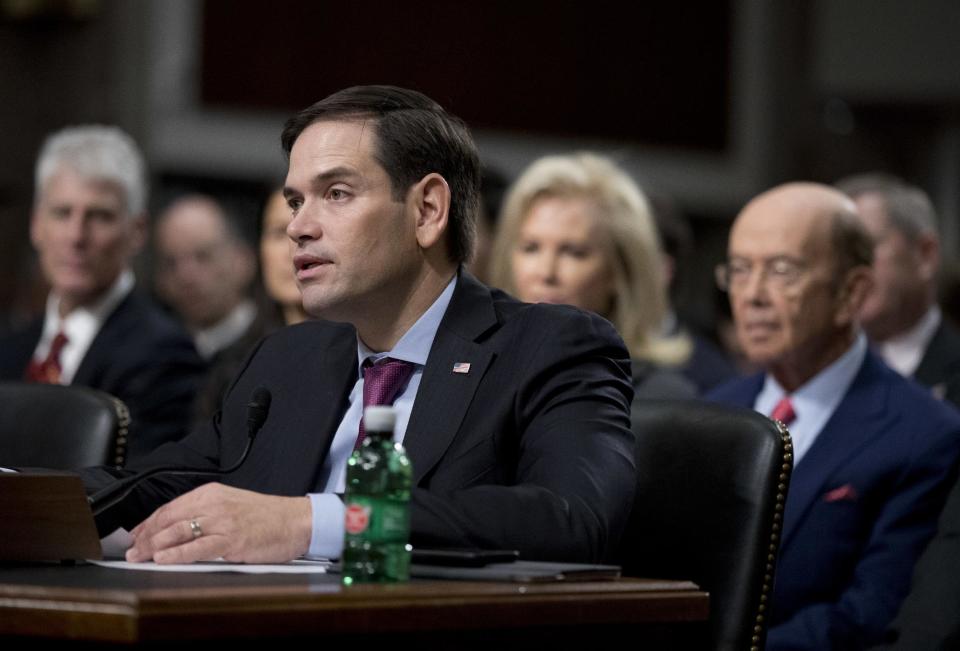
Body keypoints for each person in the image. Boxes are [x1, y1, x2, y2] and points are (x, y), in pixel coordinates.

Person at [81, 85, 636, 566]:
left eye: (336, 194)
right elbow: (154, 481)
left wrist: (311, 523)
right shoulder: (286, 360)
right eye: (295, 201)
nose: (298, 227)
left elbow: (573, 519)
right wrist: (31, 501)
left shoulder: (549, 348)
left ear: (427, 211)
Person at [707, 182, 960, 650]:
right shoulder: (709, 413)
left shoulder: (926, 434)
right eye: (740, 271)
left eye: (782, 271)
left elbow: (869, 614)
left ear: (852, 291)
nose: (753, 295)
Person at [0, 126, 205, 463]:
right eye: (62, 212)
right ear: (36, 225)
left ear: (137, 232)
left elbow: (137, 491)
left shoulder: (165, 355)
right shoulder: (10, 349)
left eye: (99, 216)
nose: (76, 236)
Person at [489, 152, 696, 401]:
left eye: (574, 252)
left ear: (619, 273)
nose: (545, 272)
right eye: (531, 248)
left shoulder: (663, 398)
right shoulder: (478, 376)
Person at [835, 173, 960, 407]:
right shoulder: (805, 374)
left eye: (863, 248)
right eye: (837, 254)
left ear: (925, 254)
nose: (848, 270)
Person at [193, 187, 309, 420]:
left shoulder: (367, 359)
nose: (291, 251)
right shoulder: (232, 367)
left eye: (304, 234)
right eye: (278, 233)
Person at [153, 194, 258, 361]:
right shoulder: (155, 353)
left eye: (203, 256)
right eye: (171, 263)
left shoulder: (273, 348)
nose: (185, 276)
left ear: (243, 260)